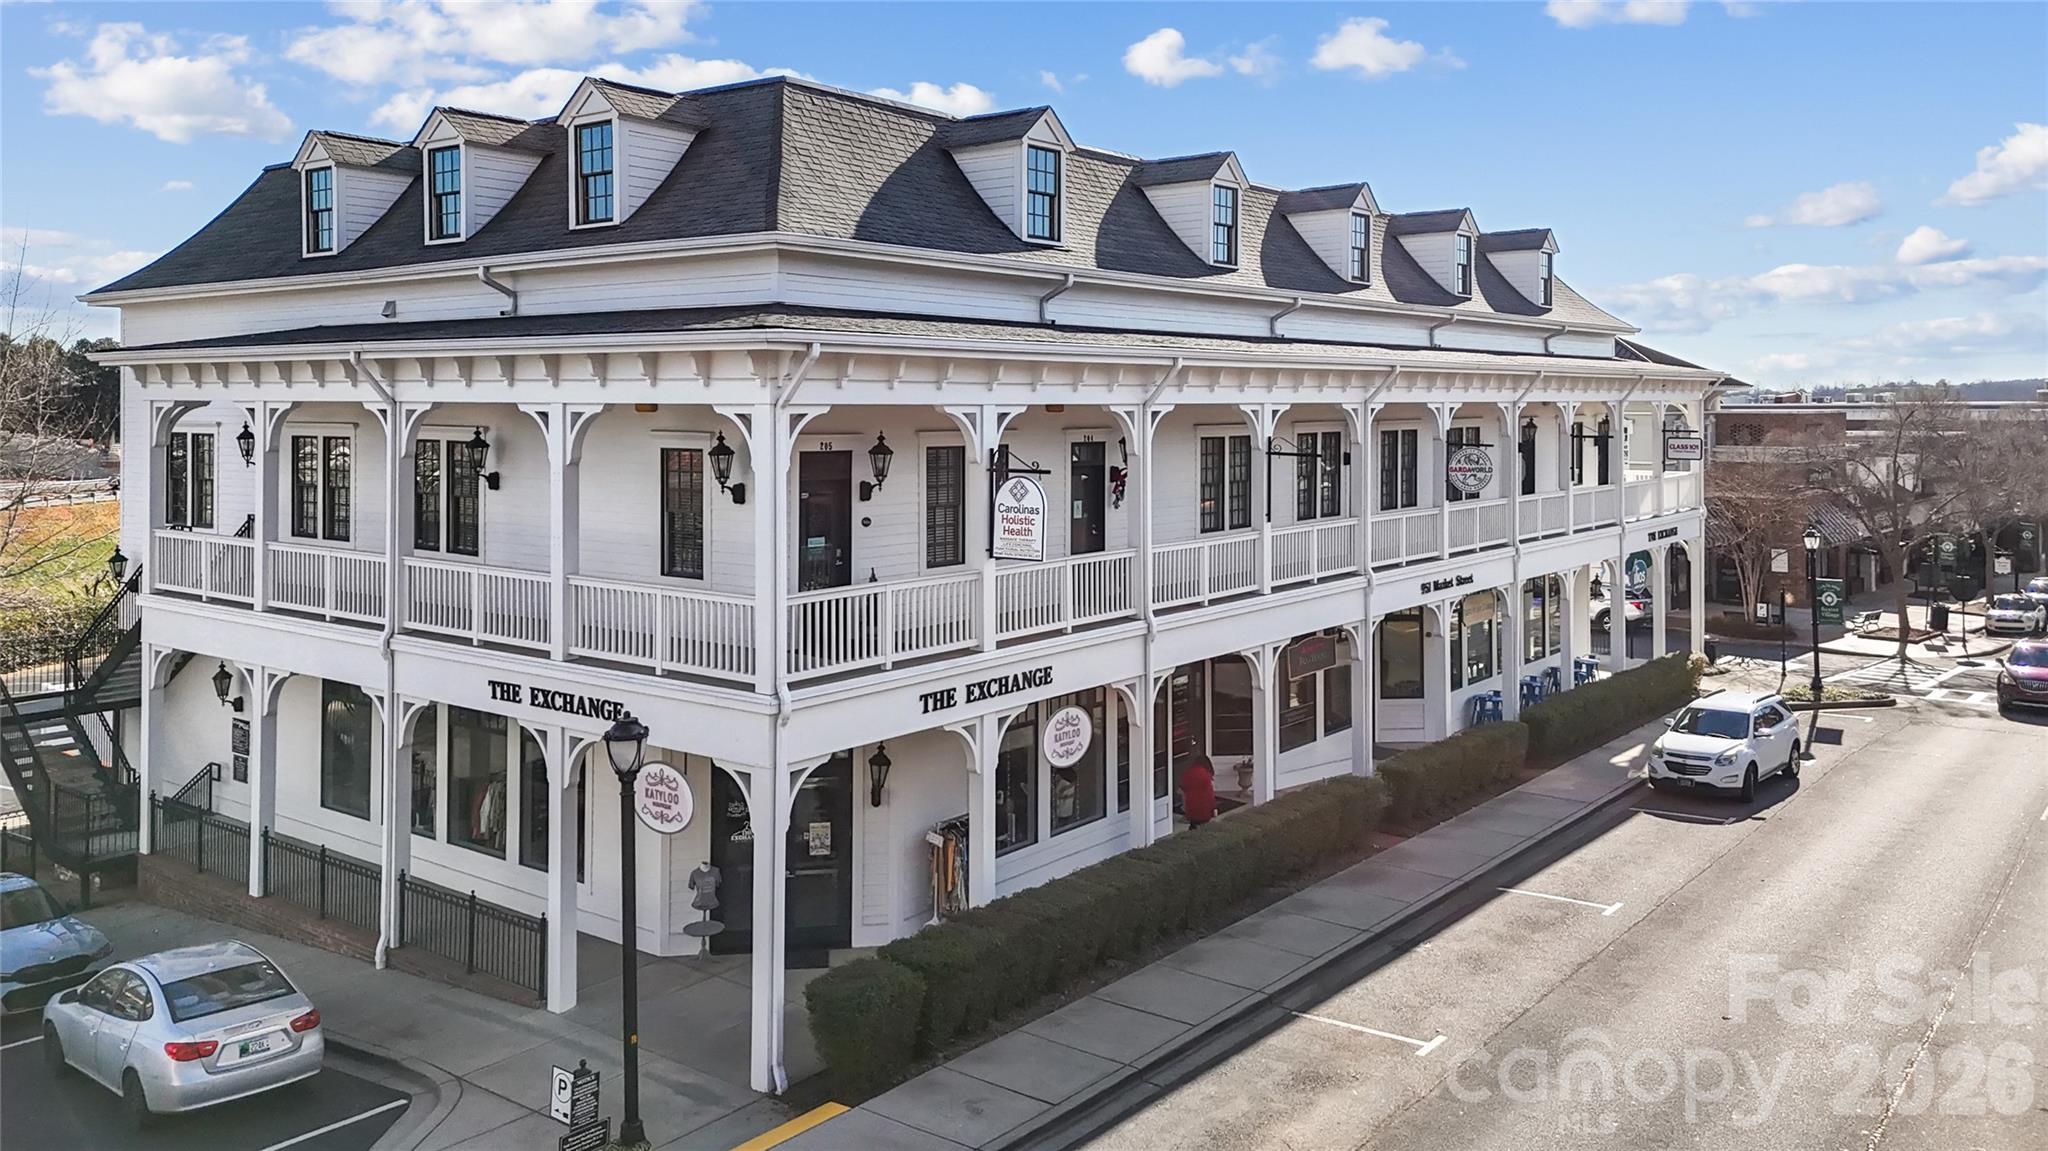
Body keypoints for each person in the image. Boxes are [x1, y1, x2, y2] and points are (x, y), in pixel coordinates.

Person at [1178, 755, 1217, 828]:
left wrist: (1184, 806)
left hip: (1191, 806)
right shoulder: (1206, 775)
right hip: (1204, 808)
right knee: (1204, 828)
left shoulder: (1188, 772)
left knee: (1193, 825)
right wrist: (1214, 808)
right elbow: (1210, 795)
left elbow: (1180, 790)